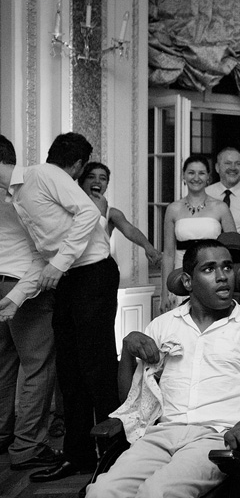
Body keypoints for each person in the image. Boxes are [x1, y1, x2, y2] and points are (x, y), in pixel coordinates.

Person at [85, 239, 240, 498]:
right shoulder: (163, 326)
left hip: (216, 438)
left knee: (157, 492)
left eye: (227, 267)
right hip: (160, 436)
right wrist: (128, 349)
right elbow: (132, 402)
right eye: (209, 269)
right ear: (187, 282)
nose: (222, 276)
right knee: (101, 491)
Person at [12, 133, 121, 482]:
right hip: (71, 278)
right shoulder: (28, 186)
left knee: (97, 369)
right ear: (77, 165)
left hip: (94, 274)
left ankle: (116, 458)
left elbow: (88, 213)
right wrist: (13, 299)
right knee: (70, 372)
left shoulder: (45, 175)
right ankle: (78, 456)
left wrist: (58, 265)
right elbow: (42, 253)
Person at [0, 135, 58, 471]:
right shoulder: (27, 192)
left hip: (5, 283)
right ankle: (27, 446)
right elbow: (44, 250)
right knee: (37, 366)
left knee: (4, 366)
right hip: (24, 285)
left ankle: (2, 435)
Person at [161, 155, 236, 312]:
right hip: (181, 274)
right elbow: (168, 254)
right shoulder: (173, 209)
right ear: (183, 176)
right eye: (191, 173)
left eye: (201, 173)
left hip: (213, 275)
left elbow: (234, 249)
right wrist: (165, 291)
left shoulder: (220, 207)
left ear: (208, 177)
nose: (196, 178)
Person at [78, 162, 162, 266]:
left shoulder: (112, 213)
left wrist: (148, 247)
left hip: (100, 266)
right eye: (91, 177)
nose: (97, 181)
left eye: (103, 178)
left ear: (106, 185)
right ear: (81, 182)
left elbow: (130, 230)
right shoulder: (71, 208)